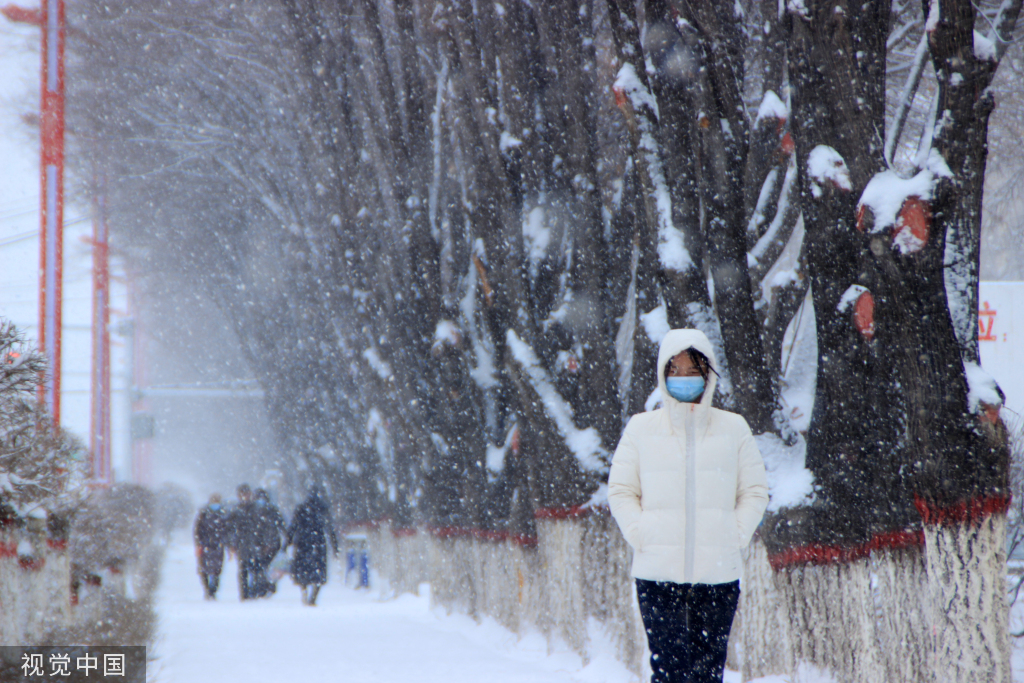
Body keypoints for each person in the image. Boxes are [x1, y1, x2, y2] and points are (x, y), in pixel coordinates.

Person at [608, 329, 769, 683]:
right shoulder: (641, 429)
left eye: (693, 370)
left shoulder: (733, 428)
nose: (684, 379)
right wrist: (642, 533)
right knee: (669, 673)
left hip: (717, 576)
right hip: (657, 576)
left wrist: (733, 535)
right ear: (663, 376)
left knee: (707, 674)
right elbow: (621, 490)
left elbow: (755, 491)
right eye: (675, 370)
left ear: (708, 374)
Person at [285, 486, 338, 605]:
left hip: (303, 543)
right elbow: (331, 529)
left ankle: (304, 590)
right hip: (318, 543)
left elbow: (293, 526)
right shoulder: (323, 508)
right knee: (318, 573)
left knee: (303, 571)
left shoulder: (302, 508)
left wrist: (287, 543)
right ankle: (314, 595)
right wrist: (335, 546)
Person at [228, 484, 262, 600]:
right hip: (241, 544)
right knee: (243, 570)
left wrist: (263, 542)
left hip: (255, 543)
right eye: (242, 494)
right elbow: (230, 528)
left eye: (247, 494)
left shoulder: (257, 509)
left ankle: (255, 591)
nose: (245, 496)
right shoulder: (236, 510)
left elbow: (263, 527)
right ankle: (244, 593)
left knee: (256, 569)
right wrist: (232, 544)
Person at [253, 487, 287, 597]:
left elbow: (281, 526)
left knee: (266, 566)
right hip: (265, 544)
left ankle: (266, 586)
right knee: (263, 566)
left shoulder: (271, 511)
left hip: (270, 544)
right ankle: (264, 586)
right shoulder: (258, 511)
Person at [193, 494, 228, 599]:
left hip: (218, 545)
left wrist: (226, 542)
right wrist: (198, 543)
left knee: (217, 569)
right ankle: (207, 589)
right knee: (204, 569)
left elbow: (227, 529)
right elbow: (197, 529)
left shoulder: (223, 514)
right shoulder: (203, 513)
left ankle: (213, 589)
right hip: (205, 545)